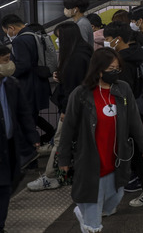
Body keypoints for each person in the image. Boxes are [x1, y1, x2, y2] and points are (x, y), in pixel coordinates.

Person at [58, 48, 143, 233]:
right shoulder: (81, 94)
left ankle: (83, 213)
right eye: (110, 68)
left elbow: (134, 118)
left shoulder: (122, 89)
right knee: (94, 206)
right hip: (90, 160)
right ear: (98, 69)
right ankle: (91, 225)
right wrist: (64, 158)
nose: (115, 72)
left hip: (117, 158)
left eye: (117, 68)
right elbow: (68, 129)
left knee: (114, 199)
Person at [26, 23, 93, 192]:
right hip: (84, 106)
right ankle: (66, 175)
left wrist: (65, 111)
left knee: (60, 141)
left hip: (73, 108)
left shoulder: (75, 58)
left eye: (59, 38)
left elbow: (73, 88)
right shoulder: (84, 51)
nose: (57, 42)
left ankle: (51, 176)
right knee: (72, 142)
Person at [102, 21, 143, 206]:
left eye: (107, 39)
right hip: (139, 110)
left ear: (118, 39)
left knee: (135, 153)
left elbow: (123, 91)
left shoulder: (122, 63)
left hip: (129, 113)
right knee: (137, 152)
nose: (105, 42)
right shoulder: (136, 54)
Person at [0, 44, 40, 233]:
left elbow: (24, 113)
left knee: (7, 186)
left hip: (9, 146)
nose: (10, 64)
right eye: (5, 60)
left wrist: (33, 137)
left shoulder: (11, 84)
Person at [1, 15, 52, 145]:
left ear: (11, 28)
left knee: (26, 121)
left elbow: (23, 65)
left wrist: (8, 74)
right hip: (39, 83)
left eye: (6, 31)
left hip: (28, 86)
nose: (7, 35)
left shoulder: (20, 40)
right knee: (31, 118)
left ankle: (30, 156)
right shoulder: (34, 35)